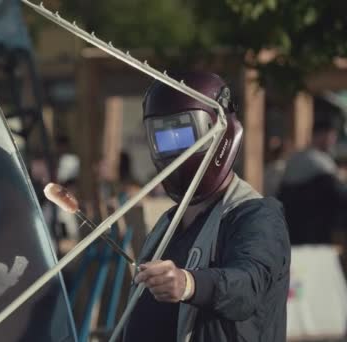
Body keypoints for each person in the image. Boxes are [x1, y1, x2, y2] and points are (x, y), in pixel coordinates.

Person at [122, 72, 291, 342]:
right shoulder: (168, 225)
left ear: (218, 131)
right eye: (162, 136)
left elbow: (247, 286)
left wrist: (188, 283)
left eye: (185, 135)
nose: (175, 150)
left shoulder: (256, 216)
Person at [277, 99, 347, 245]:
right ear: (322, 135)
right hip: (312, 226)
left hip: (294, 226)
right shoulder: (315, 158)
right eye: (331, 135)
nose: (333, 140)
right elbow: (337, 185)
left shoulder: (300, 156)